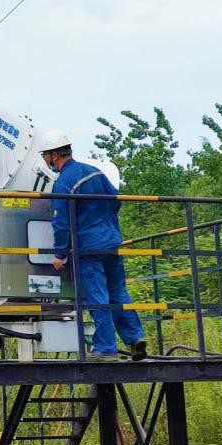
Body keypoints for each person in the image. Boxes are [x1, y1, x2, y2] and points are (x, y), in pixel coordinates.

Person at [38, 131, 147, 362]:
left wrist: (60, 254)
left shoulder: (63, 182)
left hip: (89, 247)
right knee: (118, 291)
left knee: (98, 296)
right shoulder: (95, 172)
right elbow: (116, 202)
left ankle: (106, 349)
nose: (45, 161)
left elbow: (61, 222)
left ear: (55, 155)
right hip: (111, 242)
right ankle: (135, 337)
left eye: (45, 156)